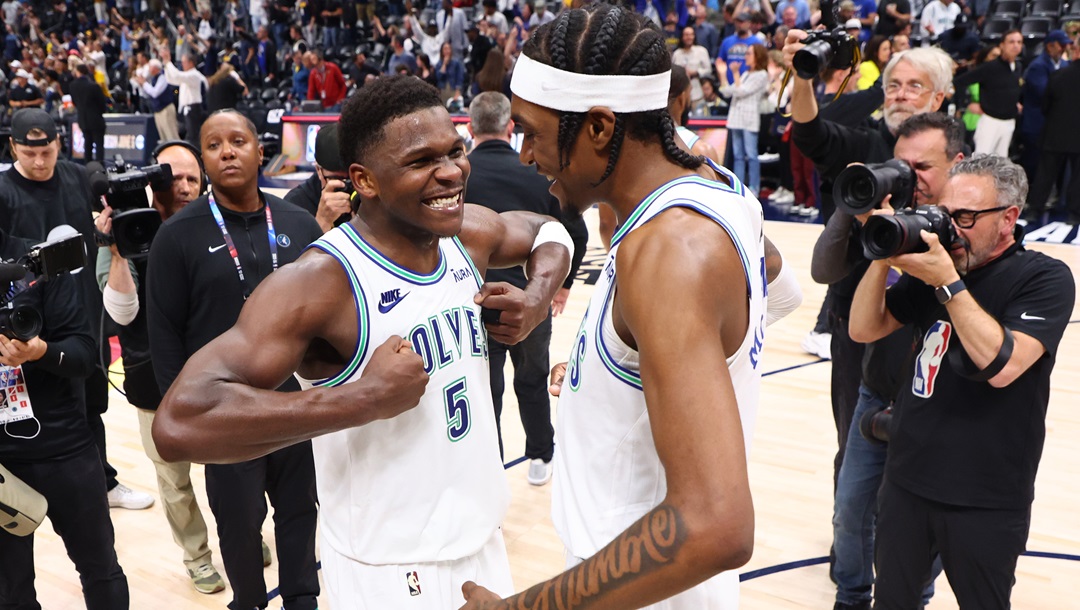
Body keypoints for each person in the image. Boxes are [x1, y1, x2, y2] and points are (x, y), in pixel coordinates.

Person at [151, 76, 573, 609]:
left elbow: (547, 231)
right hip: (390, 570)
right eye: (422, 161)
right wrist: (360, 399)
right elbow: (178, 424)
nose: (450, 172)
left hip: (485, 540)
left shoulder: (466, 234)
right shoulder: (320, 281)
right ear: (365, 181)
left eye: (454, 151)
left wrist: (535, 300)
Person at [461, 4, 771, 608]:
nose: (525, 155)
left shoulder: (669, 252)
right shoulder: (721, 190)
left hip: (650, 590)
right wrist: (620, 371)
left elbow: (717, 525)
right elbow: (771, 291)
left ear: (600, 128)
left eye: (532, 132)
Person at [848, 154, 1074, 610]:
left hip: (985, 496)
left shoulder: (1044, 277)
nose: (950, 227)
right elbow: (862, 329)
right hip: (907, 480)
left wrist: (948, 284)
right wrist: (882, 254)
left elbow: (1003, 364)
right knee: (891, 601)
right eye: (946, 213)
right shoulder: (938, 270)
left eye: (966, 217)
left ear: (1009, 218)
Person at [146, 111, 322, 610]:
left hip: (294, 407)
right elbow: (164, 337)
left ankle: (302, 600)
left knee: (298, 512)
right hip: (225, 416)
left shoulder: (298, 223)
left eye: (238, 140)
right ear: (203, 159)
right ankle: (248, 601)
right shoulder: (176, 236)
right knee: (239, 525)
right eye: (215, 144)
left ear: (258, 150)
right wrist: (185, 420)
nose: (227, 151)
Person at [784, 37, 953, 489]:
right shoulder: (866, 143)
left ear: (938, 97)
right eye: (893, 84)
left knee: (927, 436)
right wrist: (803, 78)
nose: (899, 93)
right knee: (854, 434)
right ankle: (851, 539)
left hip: (931, 317)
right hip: (856, 313)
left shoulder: (961, 156)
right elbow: (810, 133)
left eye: (913, 85)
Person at [814, 112, 964, 610]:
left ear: (956, 164)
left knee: (921, 522)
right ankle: (851, 596)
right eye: (902, 165)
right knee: (850, 512)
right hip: (874, 389)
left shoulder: (971, 228)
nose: (909, 177)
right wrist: (857, 211)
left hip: (940, 405)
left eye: (923, 166)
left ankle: (914, 597)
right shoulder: (884, 219)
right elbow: (823, 271)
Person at [0, 108, 153, 511]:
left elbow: (99, 233)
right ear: (13, 146)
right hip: (27, 320)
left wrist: (107, 234)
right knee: (33, 408)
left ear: (58, 144)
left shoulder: (75, 177)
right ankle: (25, 491)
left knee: (90, 402)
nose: (38, 161)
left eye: (46, 151)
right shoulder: (3, 191)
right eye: (28, 152)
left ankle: (101, 481)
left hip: (81, 311)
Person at [91, 139, 226, 595]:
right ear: (152, 182)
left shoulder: (214, 226)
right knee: (174, 481)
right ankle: (198, 557)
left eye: (193, 177)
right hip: (153, 382)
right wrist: (115, 248)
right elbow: (121, 314)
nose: (184, 186)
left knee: (231, 468)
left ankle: (239, 533)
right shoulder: (122, 237)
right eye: (173, 178)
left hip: (216, 375)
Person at [0, 229, 130, 610]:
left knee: (101, 569)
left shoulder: (36, 261)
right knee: (10, 590)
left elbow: (83, 355)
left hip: (64, 448)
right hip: (2, 464)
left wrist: (39, 350)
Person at [464, 91, 588, 484]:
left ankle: (490, 465)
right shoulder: (537, 171)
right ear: (510, 127)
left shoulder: (456, 173)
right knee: (532, 380)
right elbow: (575, 232)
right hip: (533, 295)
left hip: (477, 301)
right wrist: (561, 285)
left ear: (469, 127)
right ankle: (541, 455)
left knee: (487, 390)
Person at [1026, 52, 1080, 223]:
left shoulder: (1058, 74)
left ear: (1076, 52)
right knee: (1078, 177)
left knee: (1045, 174)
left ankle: (1034, 210)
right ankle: (1074, 214)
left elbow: (1045, 106)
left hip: (1055, 133)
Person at [952, 29, 1023, 158]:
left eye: (1019, 42)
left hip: (1009, 121)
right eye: (1011, 42)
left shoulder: (1017, 67)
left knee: (1000, 162)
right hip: (990, 120)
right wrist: (967, 103)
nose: (1016, 45)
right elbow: (960, 82)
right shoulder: (990, 67)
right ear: (1002, 45)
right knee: (981, 159)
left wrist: (1015, 102)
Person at [1017, 29, 1071, 184]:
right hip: (1035, 124)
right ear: (1049, 46)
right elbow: (1045, 92)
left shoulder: (1065, 64)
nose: (1063, 48)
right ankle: (1027, 195)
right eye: (1060, 45)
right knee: (1033, 162)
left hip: (1053, 125)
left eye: (1064, 45)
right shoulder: (1037, 66)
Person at [716, 43, 769, 195]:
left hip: (749, 120)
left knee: (751, 155)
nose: (746, 57)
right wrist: (723, 75)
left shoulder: (761, 75)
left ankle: (754, 187)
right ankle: (738, 187)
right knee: (738, 156)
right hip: (736, 118)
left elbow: (740, 91)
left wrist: (735, 73)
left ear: (757, 56)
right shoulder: (745, 74)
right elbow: (727, 92)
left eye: (749, 54)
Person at [284, 123, 353, 231]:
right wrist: (323, 221)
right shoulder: (296, 204)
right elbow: (295, 248)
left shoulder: (370, 194)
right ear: (318, 170)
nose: (346, 185)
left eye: (350, 178)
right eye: (336, 179)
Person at [160, 47, 208, 146]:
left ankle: (197, 156)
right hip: (186, 110)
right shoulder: (187, 76)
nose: (182, 64)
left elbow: (177, 76)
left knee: (194, 136)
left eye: (184, 62)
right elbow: (171, 80)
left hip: (194, 108)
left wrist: (169, 62)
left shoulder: (194, 75)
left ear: (191, 62)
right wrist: (166, 64)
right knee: (189, 135)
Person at [68, 62, 108, 163]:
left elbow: (74, 102)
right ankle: (100, 169)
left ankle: (88, 168)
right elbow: (102, 104)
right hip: (96, 119)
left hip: (82, 120)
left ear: (78, 72)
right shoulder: (94, 86)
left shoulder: (72, 86)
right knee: (99, 146)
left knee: (87, 145)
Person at [135, 58, 180, 141]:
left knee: (171, 135)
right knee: (163, 137)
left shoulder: (163, 77)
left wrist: (144, 83)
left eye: (150, 67)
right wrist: (142, 84)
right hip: (158, 111)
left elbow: (155, 93)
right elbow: (148, 93)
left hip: (166, 110)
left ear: (155, 68)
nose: (148, 69)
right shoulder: (153, 79)